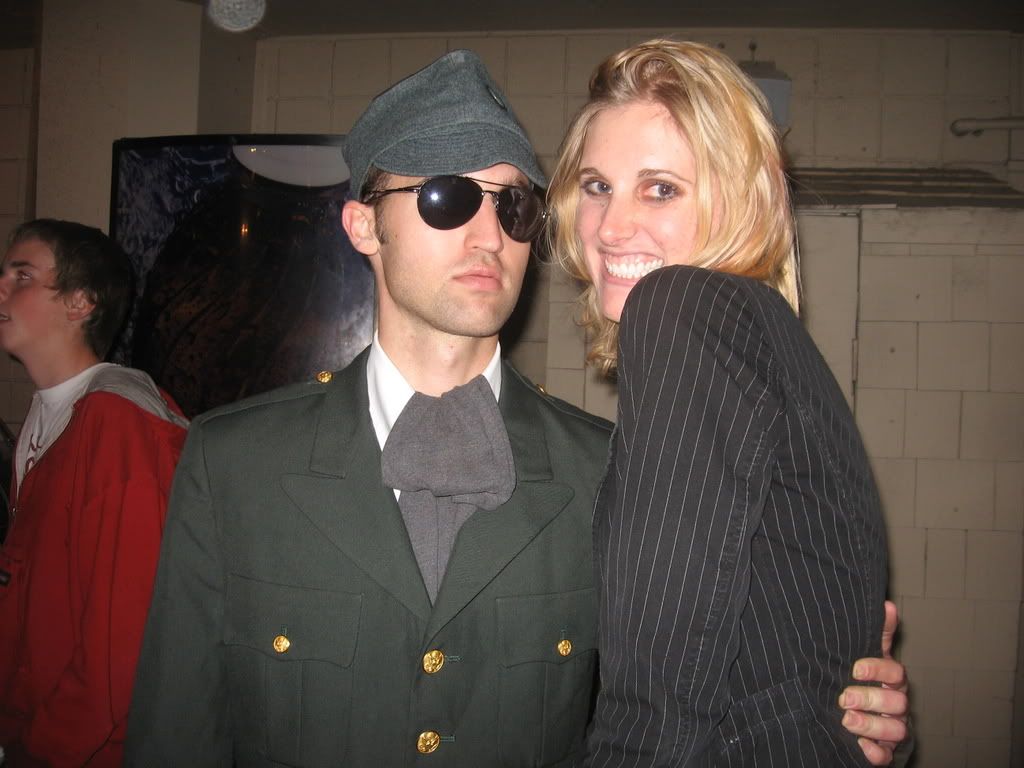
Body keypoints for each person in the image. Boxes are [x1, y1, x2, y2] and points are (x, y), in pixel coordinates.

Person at [126, 50, 905, 767]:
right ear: (364, 225)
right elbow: (174, 735)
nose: (488, 234)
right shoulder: (234, 462)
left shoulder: (607, 465)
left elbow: (696, 694)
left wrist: (850, 718)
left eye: (515, 206)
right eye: (446, 196)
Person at [547, 39, 906, 766]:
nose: (610, 226)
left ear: (739, 200)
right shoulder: (764, 343)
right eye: (597, 185)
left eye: (661, 189)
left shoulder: (682, 304)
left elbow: (658, 682)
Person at [0, 219, 188, 767]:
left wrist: (42, 749)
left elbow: (121, 642)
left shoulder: (118, 424)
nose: (2, 289)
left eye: (22, 276)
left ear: (80, 303)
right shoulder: (50, 415)